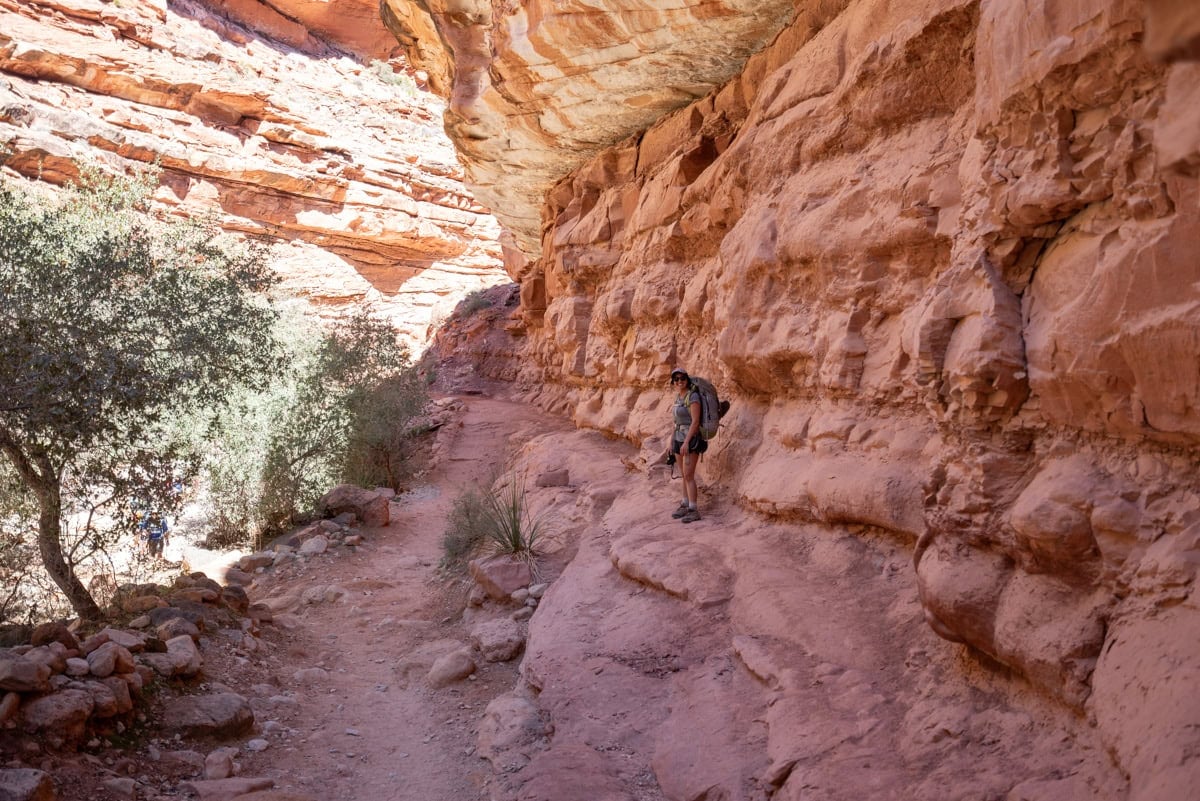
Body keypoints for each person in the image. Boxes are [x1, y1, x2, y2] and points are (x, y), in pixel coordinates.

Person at [667, 367, 707, 523]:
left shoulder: (693, 396)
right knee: (683, 474)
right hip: (678, 438)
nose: (679, 381)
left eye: (682, 378)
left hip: (690, 440)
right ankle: (684, 504)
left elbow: (695, 422)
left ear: (687, 379)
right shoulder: (678, 397)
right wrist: (672, 442)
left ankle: (693, 509)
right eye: (676, 379)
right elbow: (675, 422)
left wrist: (686, 442)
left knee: (689, 475)